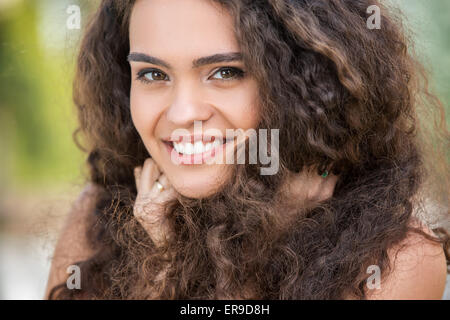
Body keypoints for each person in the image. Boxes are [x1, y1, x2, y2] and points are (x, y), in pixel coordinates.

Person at [45, 0, 449, 299]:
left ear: (305, 84)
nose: (183, 113)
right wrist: (162, 257)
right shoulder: (100, 215)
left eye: (226, 72)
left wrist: (269, 236)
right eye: (153, 74)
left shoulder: (397, 258)